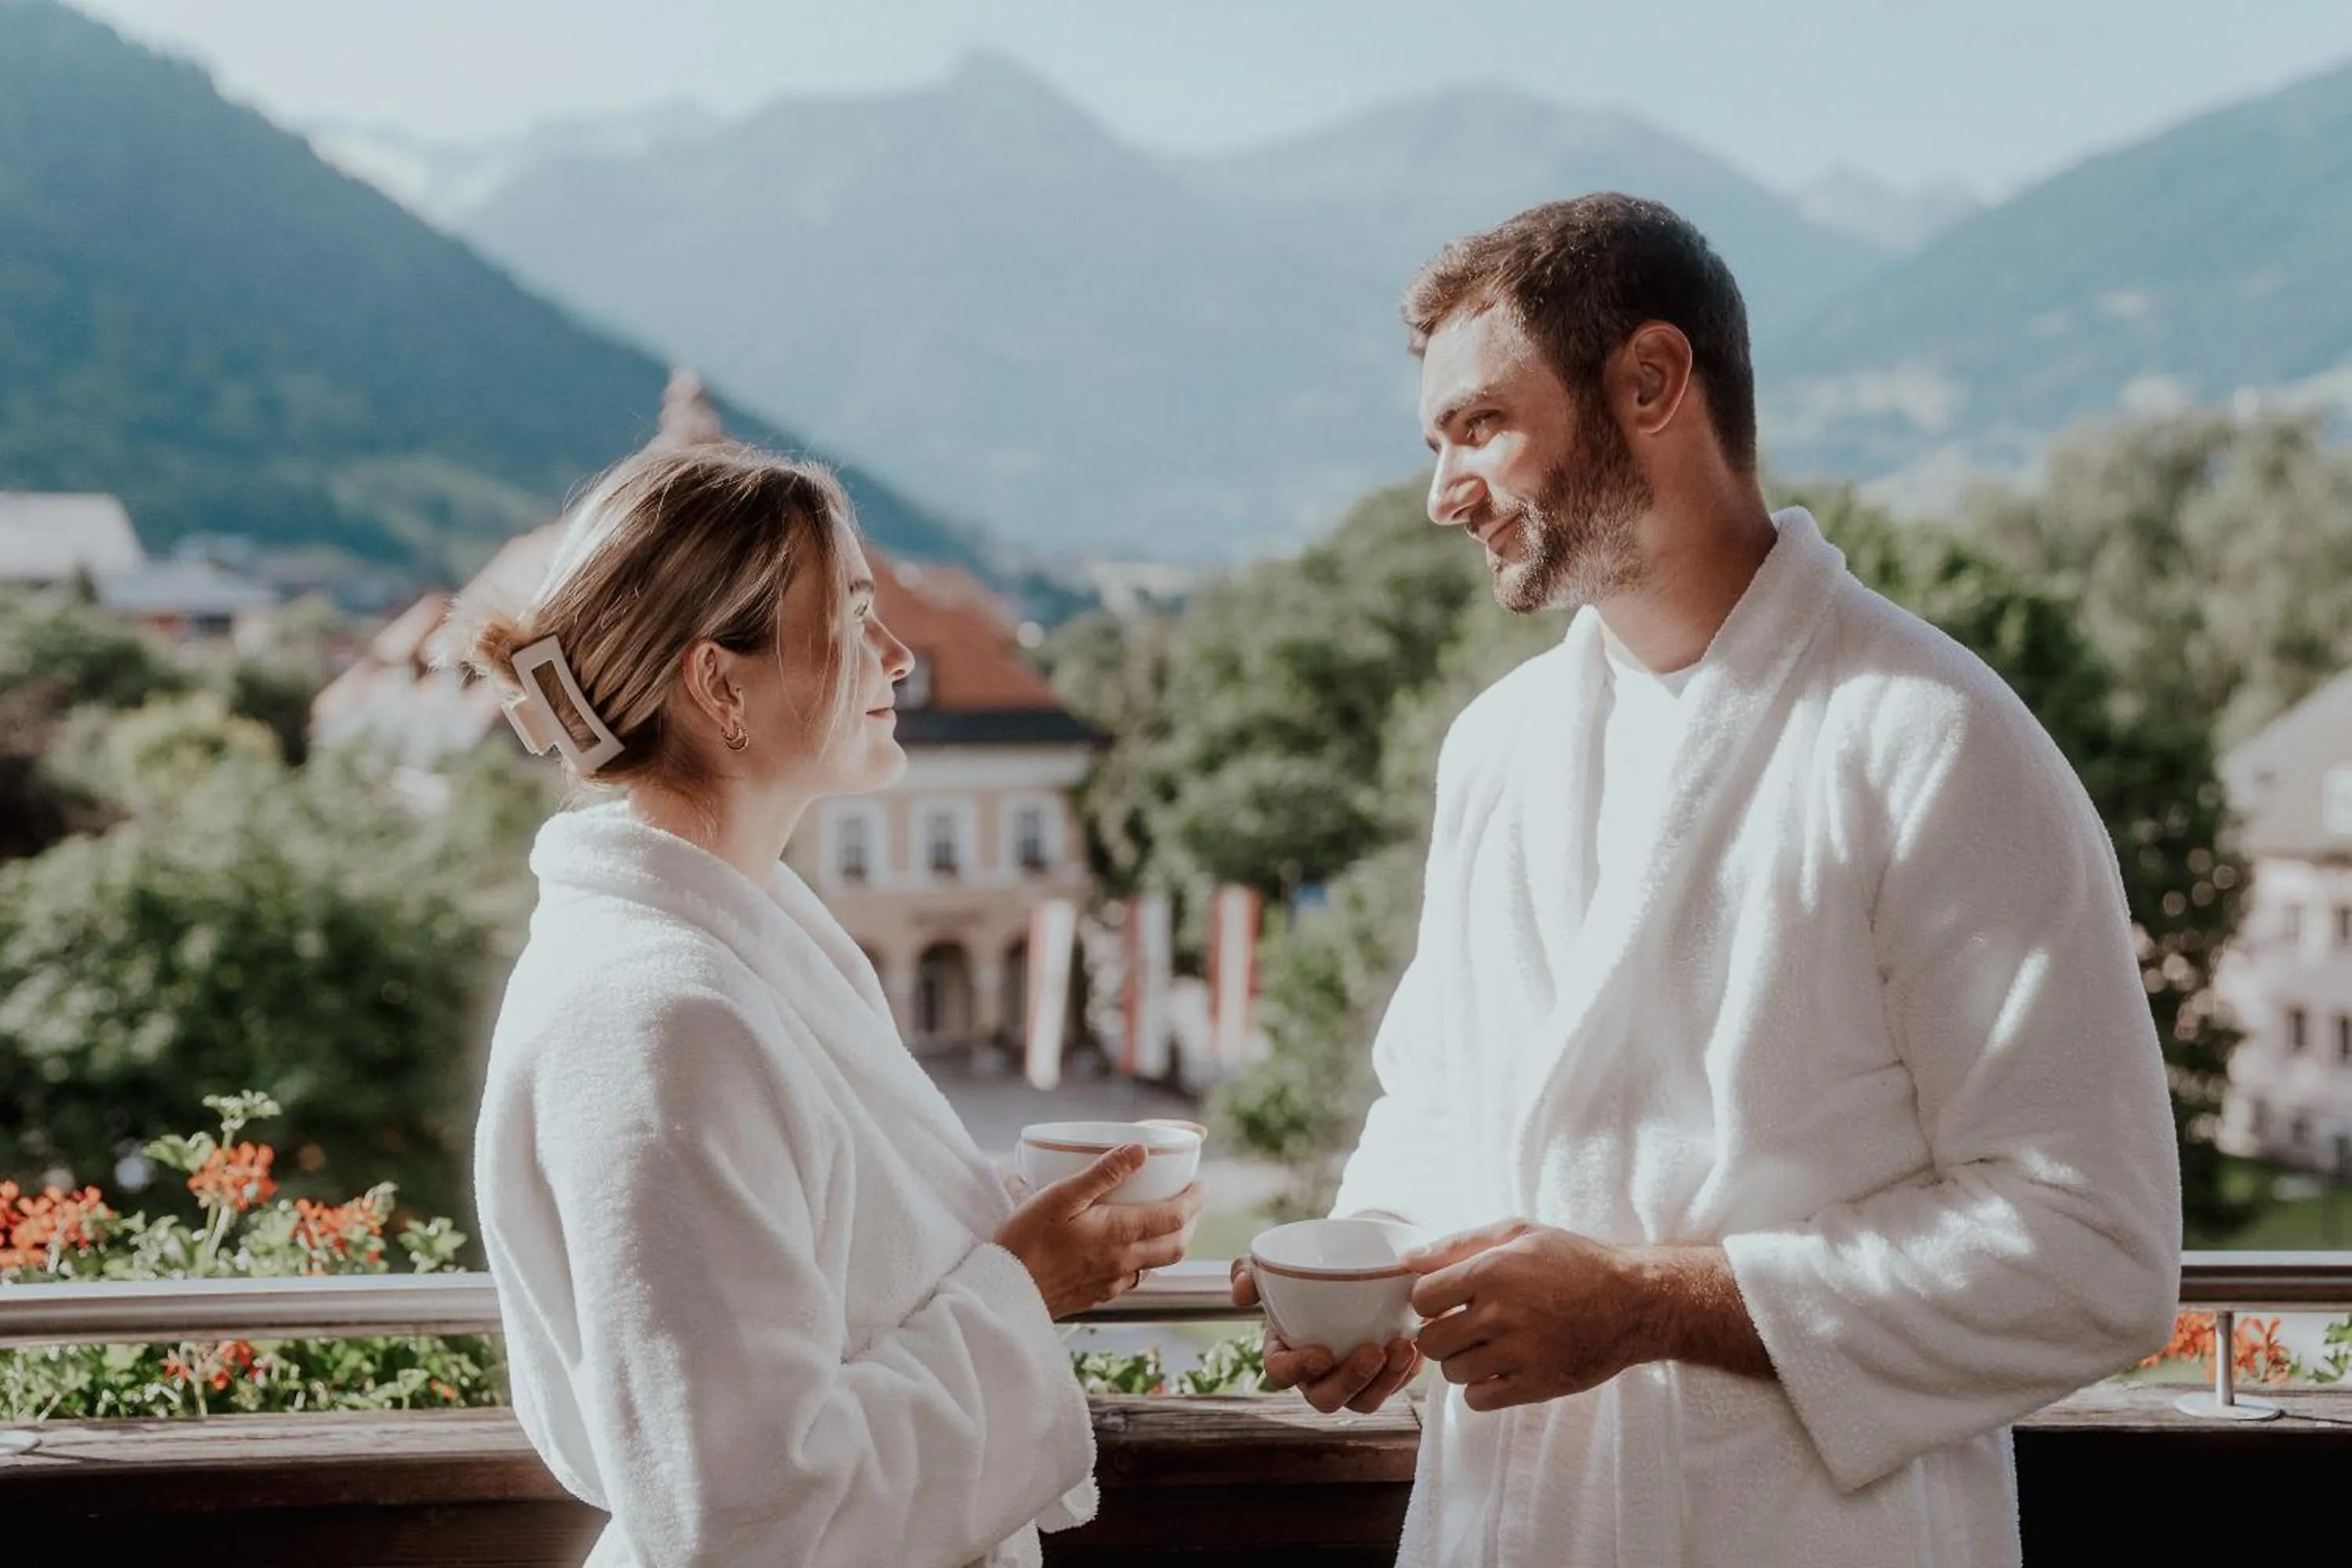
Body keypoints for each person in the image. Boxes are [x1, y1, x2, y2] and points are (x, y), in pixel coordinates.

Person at [1232, 194, 2180, 1566]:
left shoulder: (1931, 738)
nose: (1443, 494)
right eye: (1436, 442)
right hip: (1516, 1524)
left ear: (1652, 381)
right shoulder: (1496, 750)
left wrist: (1647, 1305)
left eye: (1480, 426)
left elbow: (2094, 1251)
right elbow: (1436, 1105)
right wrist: (1381, 1267)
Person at [463, 445, 1200, 1568]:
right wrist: (1025, 1285)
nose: (900, 656)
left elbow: (816, 1268)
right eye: (858, 618)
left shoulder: (744, 951)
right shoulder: (657, 1020)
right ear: (721, 684)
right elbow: (750, 1514)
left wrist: (977, 1225)